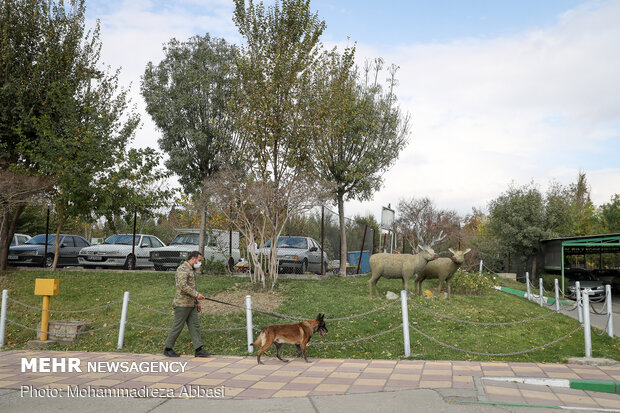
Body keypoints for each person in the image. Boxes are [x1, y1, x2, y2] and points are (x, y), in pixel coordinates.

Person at [163, 251, 210, 357]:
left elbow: (192, 287)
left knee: (195, 326)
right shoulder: (183, 268)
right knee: (177, 327)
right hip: (182, 304)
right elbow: (182, 286)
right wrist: (196, 294)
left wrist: (196, 302)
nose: (200, 262)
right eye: (199, 260)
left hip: (191, 304)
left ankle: (198, 350)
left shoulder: (191, 269)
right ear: (193, 259)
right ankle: (168, 348)